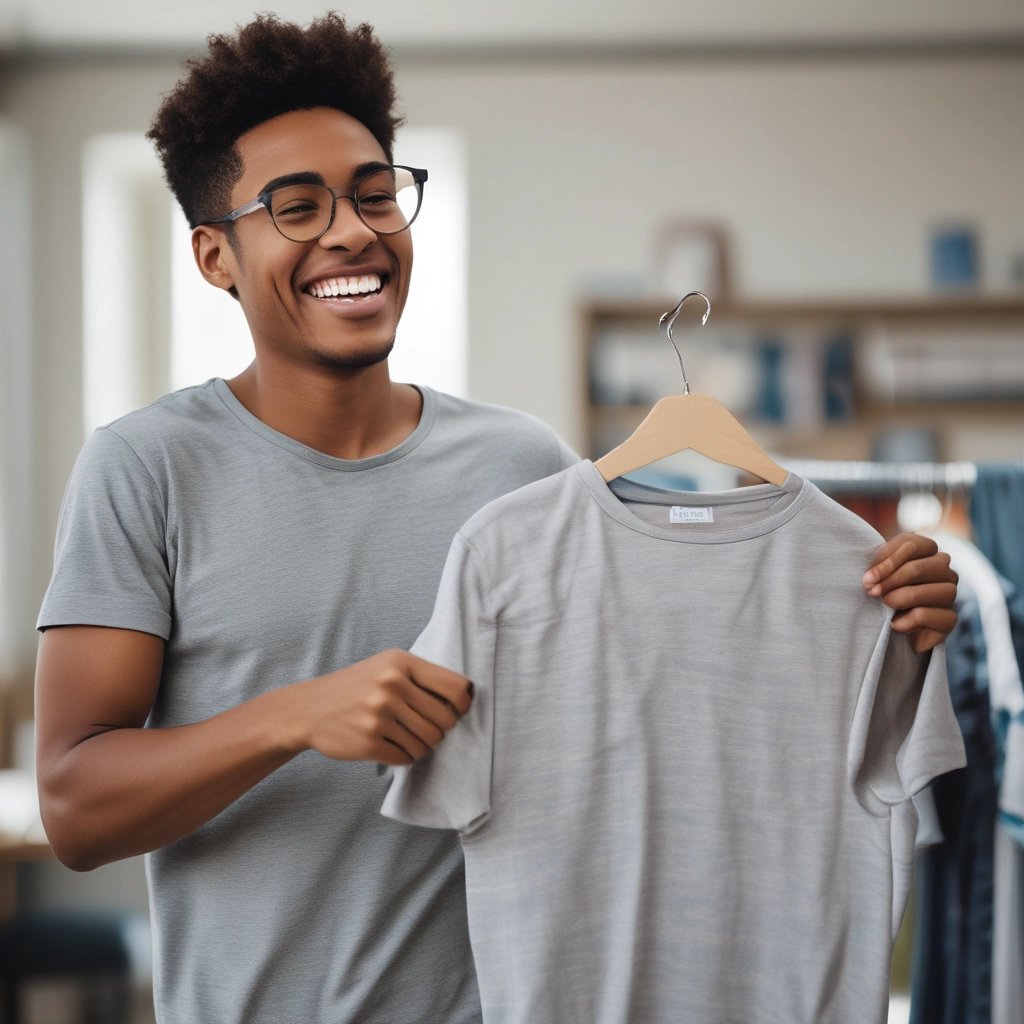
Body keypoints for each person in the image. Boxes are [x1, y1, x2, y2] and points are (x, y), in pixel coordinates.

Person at [33, 12, 959, 1024]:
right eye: (295, 207)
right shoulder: (144, 467)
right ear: (215, 255)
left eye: (375, 192)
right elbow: (75, 806)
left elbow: (690, 644)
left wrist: (881, 606)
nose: (352, 229)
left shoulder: (518, 467)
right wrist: (297, 716)